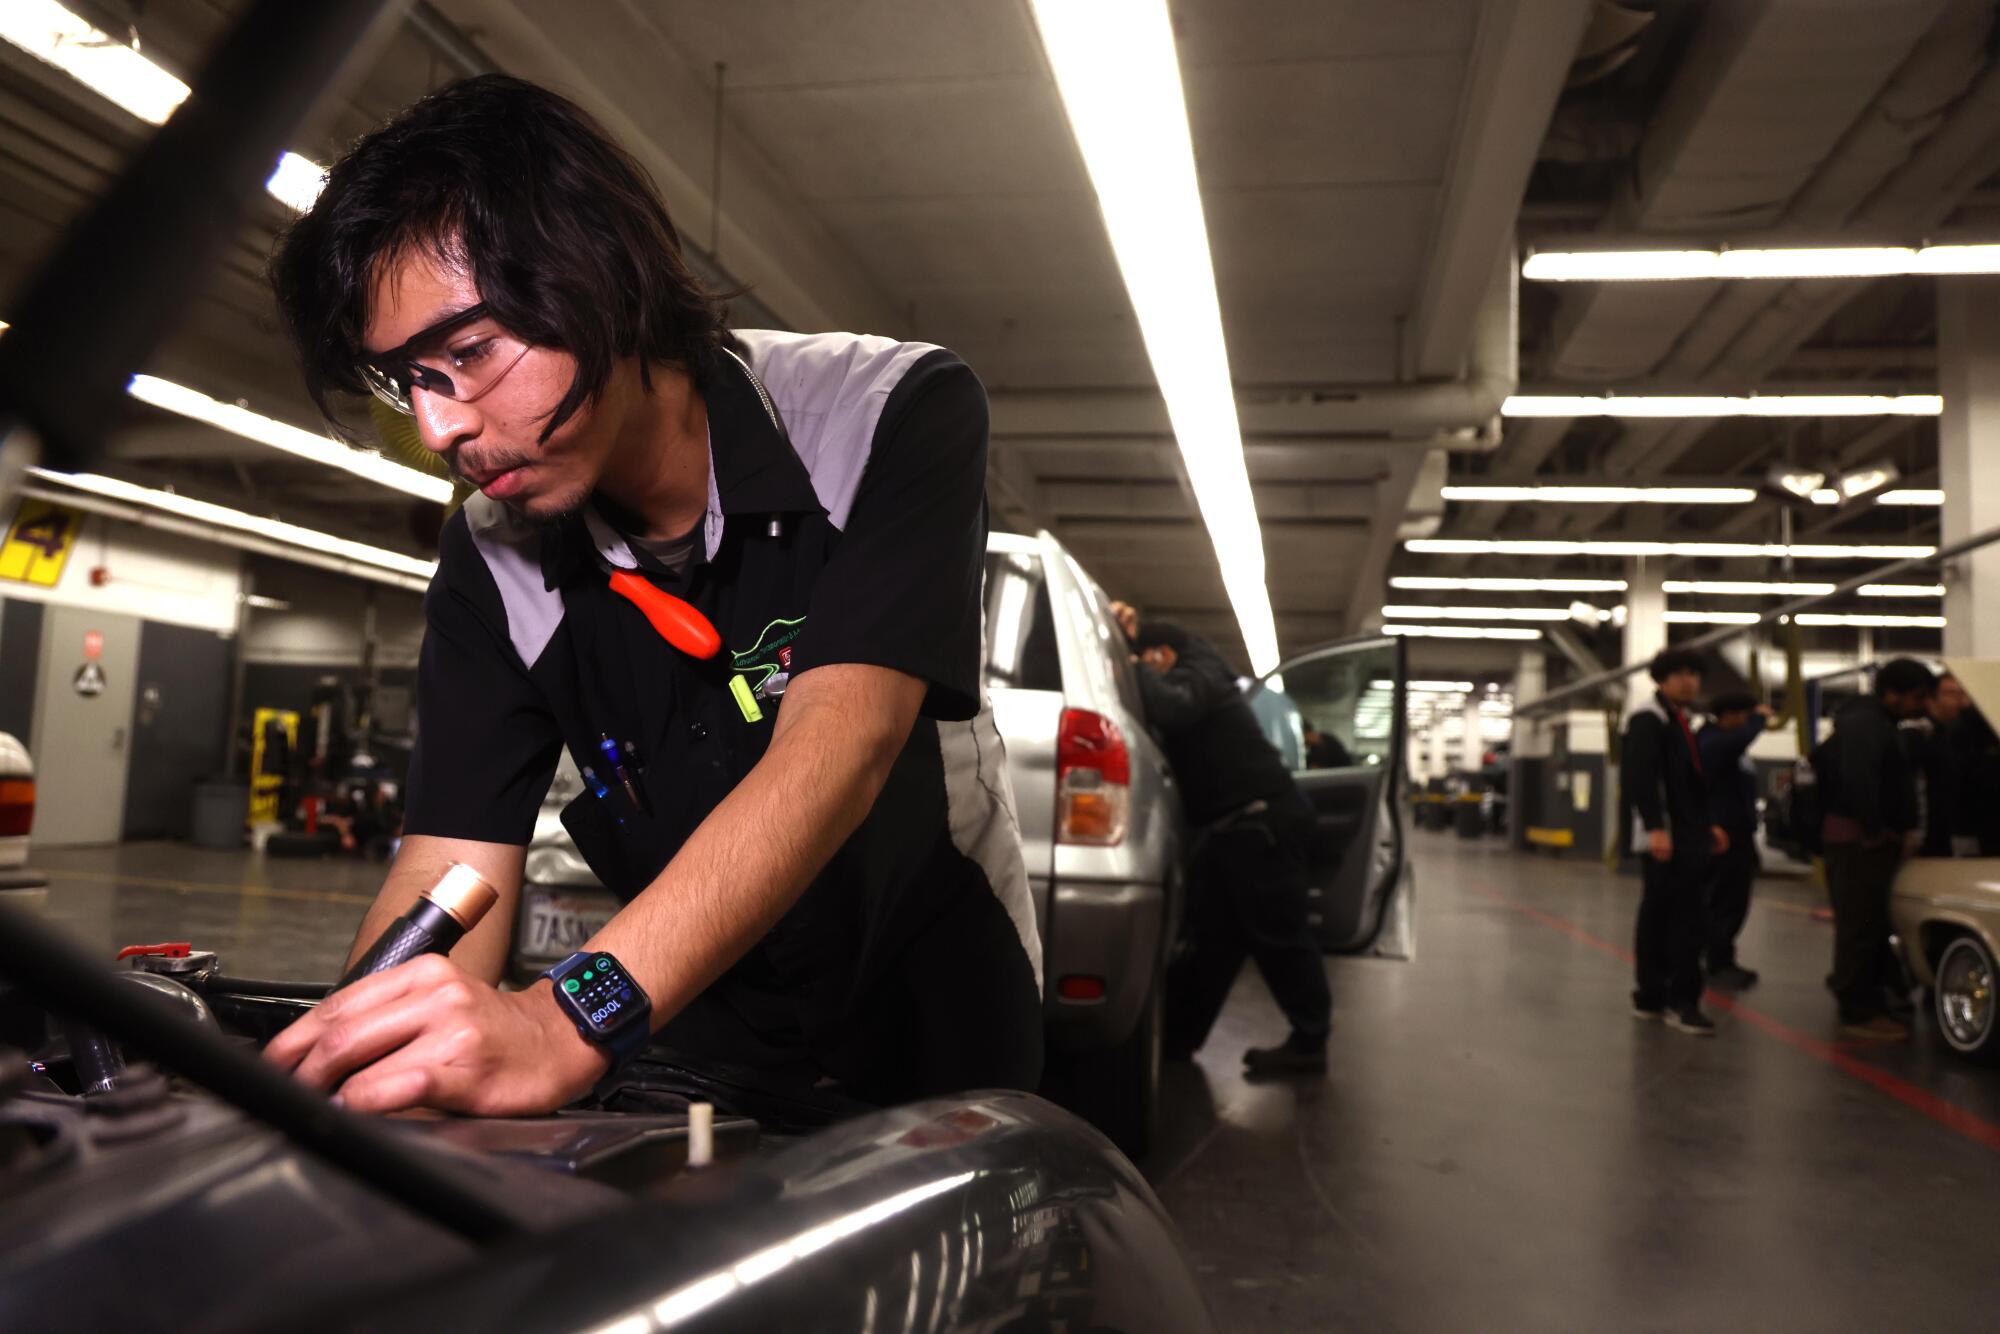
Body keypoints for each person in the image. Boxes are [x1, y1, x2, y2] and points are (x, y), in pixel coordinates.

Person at [257, 76, 1040, 1116]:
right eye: (407, 383)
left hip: (939, 1015)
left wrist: (558, 1018)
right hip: (693, 1024)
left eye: (467, 353)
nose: (438, 429)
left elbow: (836, 750)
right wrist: (352, 1058)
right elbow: (451, 866)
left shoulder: (887, 413)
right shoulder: (490, 560)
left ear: (598, 274)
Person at [1109, 601, 1332, 1075]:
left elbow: (1174, 706)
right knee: (1213, 940)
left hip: (1263, 824)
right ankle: (1179, 1040)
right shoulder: (1191, 669)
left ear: (1161, 654)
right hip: (1235, 831)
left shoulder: (1202, 668)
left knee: (1281, 937)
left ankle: (1311, 1043)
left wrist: (1133, 666)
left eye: (1148, 661)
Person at [1820, 658, 1935, 1039]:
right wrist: (1874, 830)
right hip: (1858, 842)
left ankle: (1865, 997)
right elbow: (1860, 780)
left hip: (1862, 840)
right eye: (1917, 697)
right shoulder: (1866, 725)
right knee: (1860, 926)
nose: (1922, 705)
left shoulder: (1873, 722)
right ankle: (1857, 1012)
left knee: (1867, 922)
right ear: (1892, 694)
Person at [1620, 647, 1728, 1036]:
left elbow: (1687, 784)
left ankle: (1651, 996)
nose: (1690, 681)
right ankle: (1681, 1003)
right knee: (1684, 921)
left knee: (1661, 916)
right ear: (1662, 679)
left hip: (1687, 833)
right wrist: (1656, 828)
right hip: (1670, 838)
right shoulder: (1649, 719)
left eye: (1694, 674)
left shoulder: (1678, 719)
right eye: (1680, 674)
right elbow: (1641, 778)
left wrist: (1707, 824)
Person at [1697, 692, 1772, 988]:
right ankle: (1717, 961)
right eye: (1742, 716)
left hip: (1738, 833)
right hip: (1723, 835)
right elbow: (1739, 739)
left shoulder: (1726, 745)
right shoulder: (1712, 741)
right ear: (1728, 715)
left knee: (1733, 899)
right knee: (1724, 901)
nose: (1745, 723)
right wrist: (1758, 718)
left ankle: (1718, 956)